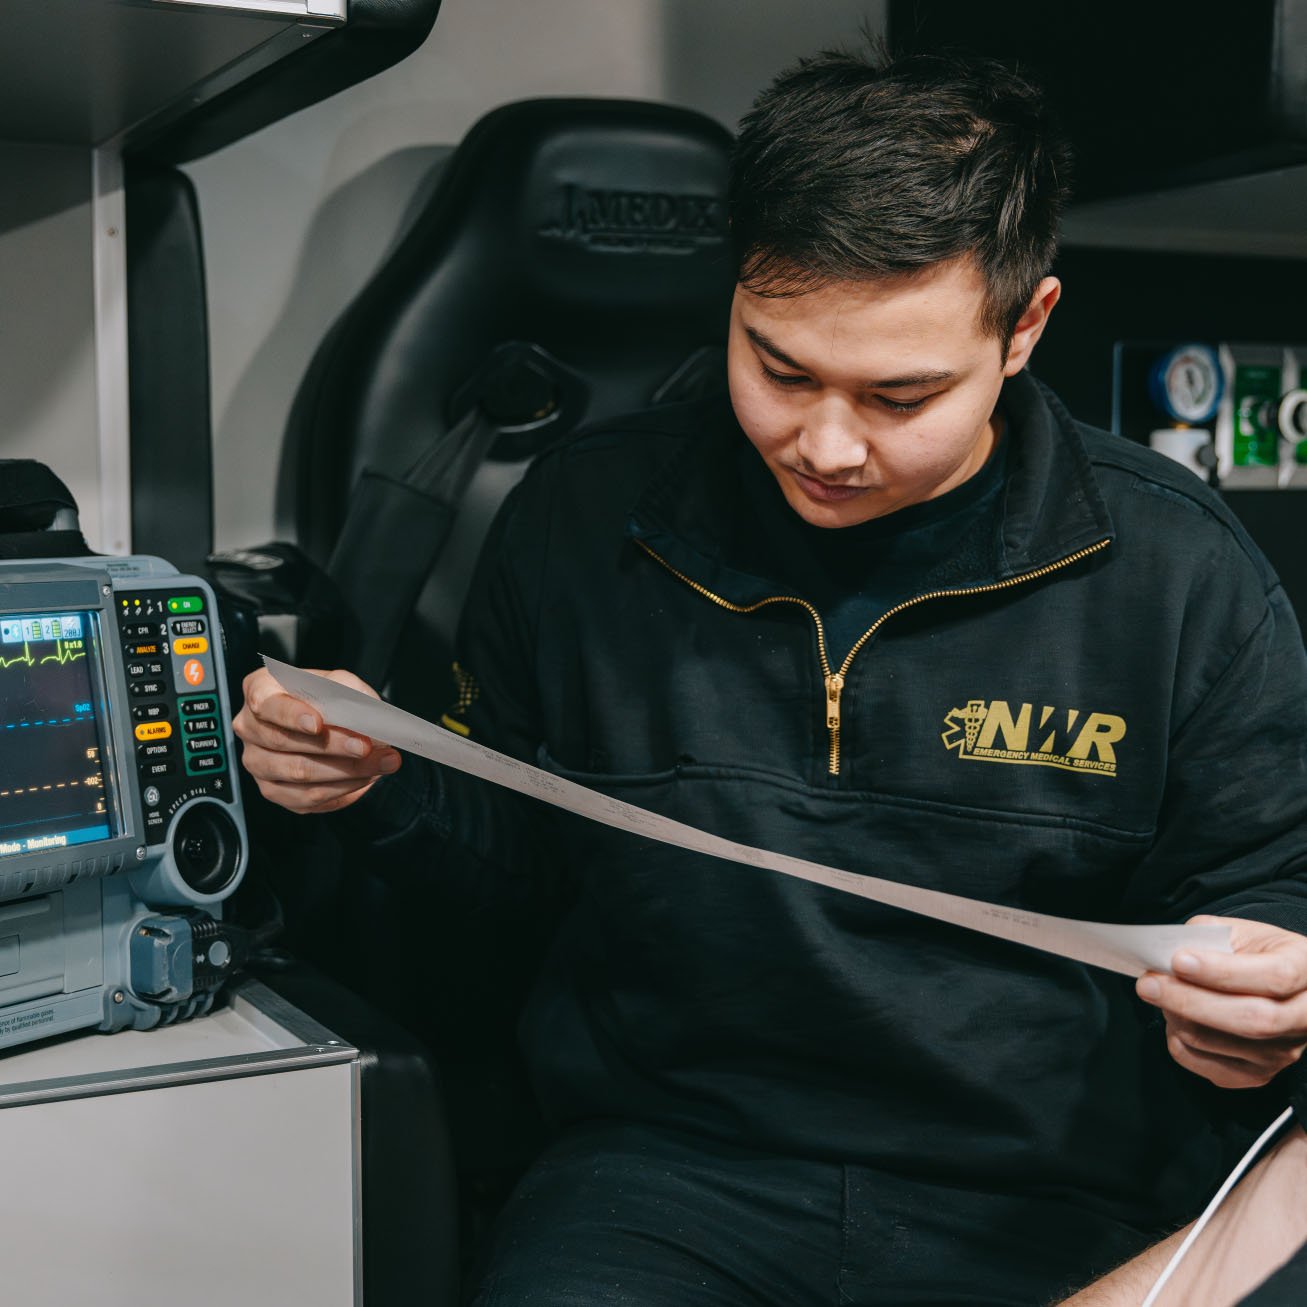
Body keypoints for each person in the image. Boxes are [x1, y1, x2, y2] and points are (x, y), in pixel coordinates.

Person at [234, 47, 1307, 1306]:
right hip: (667, 1171)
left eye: (899, 394)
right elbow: (512, 887)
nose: (827, 445)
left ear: (1024, 328)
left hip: (1054, 1185)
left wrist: (1268, 986)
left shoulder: (1177, 569)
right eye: (779, 368)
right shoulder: (582, 519)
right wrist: (373, 786)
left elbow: (1268, 875)